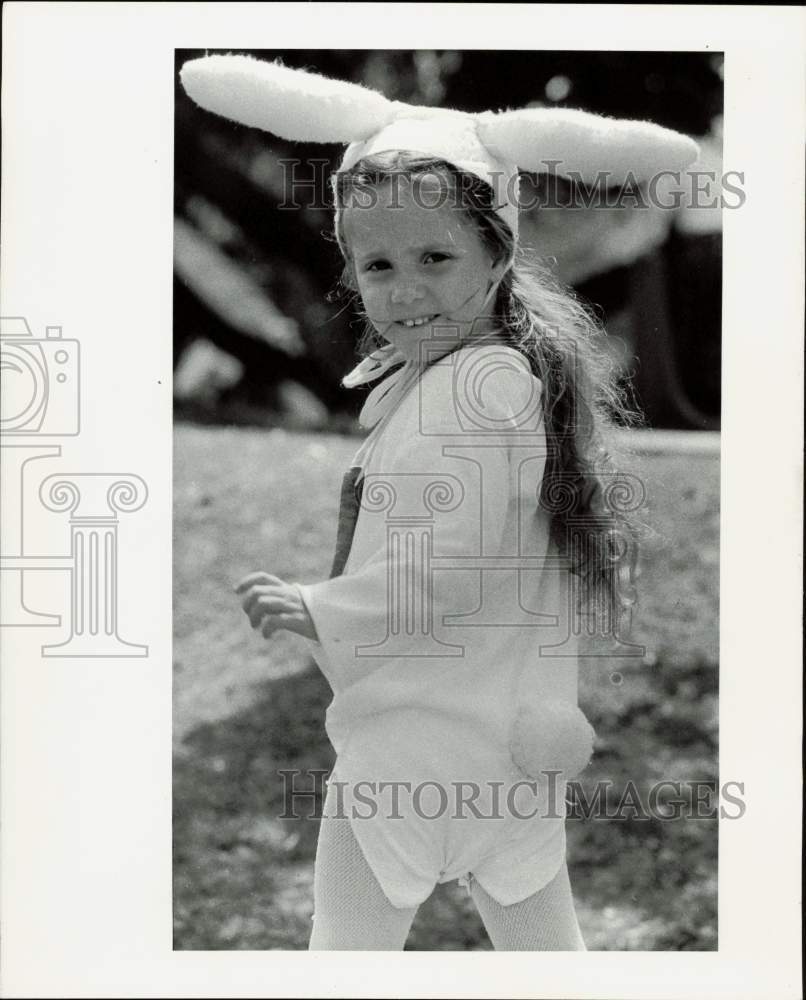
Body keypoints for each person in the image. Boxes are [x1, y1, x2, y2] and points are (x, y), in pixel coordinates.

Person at [181, 54, 699, 951]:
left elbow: (454, 565)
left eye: (435, 256)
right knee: (543, 951)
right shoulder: (458, 376)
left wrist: (319, 605)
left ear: (498, 254)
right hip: (485, 738)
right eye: (377, 263)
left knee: (346, 952)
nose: (405, 288)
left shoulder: (479, 384)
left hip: (419, 744)